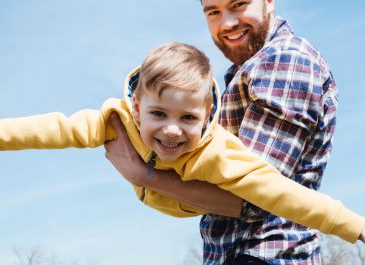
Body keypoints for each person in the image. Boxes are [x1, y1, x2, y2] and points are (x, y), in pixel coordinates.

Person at [104, 0, 348, 264]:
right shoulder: (245, 72)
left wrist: (143, 175)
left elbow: (253, 197)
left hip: (265, 255)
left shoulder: (284, 61)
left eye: (238, 5)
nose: (228, 23)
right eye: (213, 12)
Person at [1, 42, 364, 250]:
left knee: (259, 193)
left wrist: (356, 227)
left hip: (203, 201)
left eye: (188, 119)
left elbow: (286, 194)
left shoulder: (216, 154)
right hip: (161, 194)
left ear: (207, 116)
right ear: (137, 108)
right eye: (158, 114)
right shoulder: (116, 122)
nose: (172, 131)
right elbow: (50, 129)